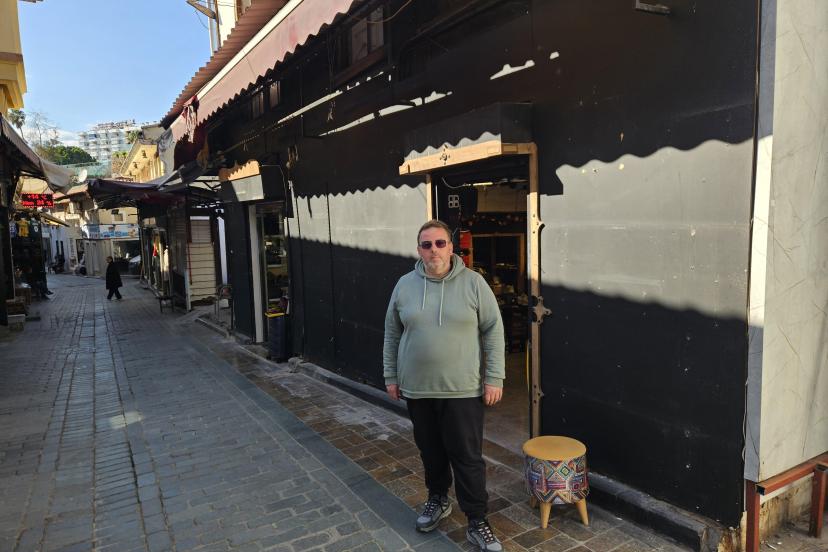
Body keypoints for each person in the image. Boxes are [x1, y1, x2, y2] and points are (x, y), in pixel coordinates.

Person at [383, 220, 505, 552]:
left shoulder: (474, 283)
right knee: (431, 452)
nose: (433, 250)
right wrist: (391, 376)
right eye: (427, 245)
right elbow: (392, 333)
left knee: (467, 457)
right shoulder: (405, 285)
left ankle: (477, 519)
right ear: (418, 250)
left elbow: (493, 330)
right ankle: (438, 499)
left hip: (462, 390)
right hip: (418, 389)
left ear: (451, 247)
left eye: (440, 243)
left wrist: (494, 377)